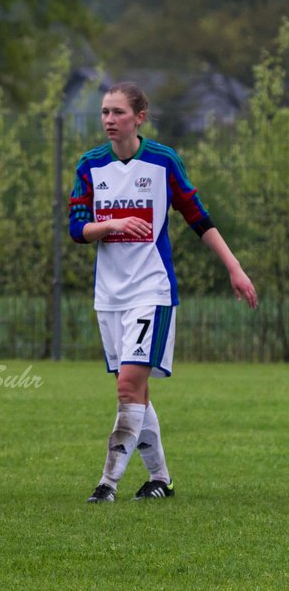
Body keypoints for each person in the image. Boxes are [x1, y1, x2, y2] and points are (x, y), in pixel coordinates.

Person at [69, 82, 257, 504]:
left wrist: (235, 268)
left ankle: (107, 484)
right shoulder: (89, 165)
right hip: (109, 296)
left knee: (126, 388)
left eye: (117, 112)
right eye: (104, 112)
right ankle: (161, 479)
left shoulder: (162, 161)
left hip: (151, 291)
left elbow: (199, 219)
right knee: (136, 392)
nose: (108, 120)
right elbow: (76, 229)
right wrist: (112, 226)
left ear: (139, 117)